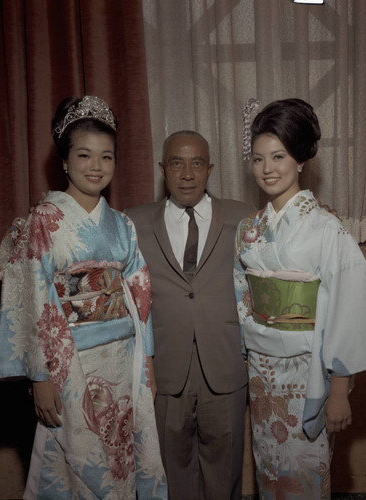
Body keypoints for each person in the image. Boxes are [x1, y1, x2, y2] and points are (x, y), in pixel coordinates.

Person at [0, 96, 167, 499]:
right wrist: (40, 376)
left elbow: (140, 294)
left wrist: (149, 362)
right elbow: (33, 297)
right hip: (69, 361)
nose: (96, 166)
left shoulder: (122, 225)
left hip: (124, 358)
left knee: (122, 452)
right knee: (76, 460)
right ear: (65, 161)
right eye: (85, 155)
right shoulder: (43, 221)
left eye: (106, 157)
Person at [234, 98, 366, 499]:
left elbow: (346, 309)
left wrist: (339, 391)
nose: (267, 169)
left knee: (306, 475)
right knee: (269, 471)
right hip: (263, 375)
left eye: (279, 156)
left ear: (301, 159)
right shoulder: (249, 229)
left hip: (308, 372)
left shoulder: (326, 229)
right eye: (259, 158)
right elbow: (242, 300)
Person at [126, 130, 254, 499]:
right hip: (163, 366)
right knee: (171, 469)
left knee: (225, 466)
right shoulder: (132, 222)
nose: (187, 173)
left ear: (210, 169)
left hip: (225, 361)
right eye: (177, 163)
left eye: (197, 163)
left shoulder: (244, 215)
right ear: (163, 169)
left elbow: (284, 238)